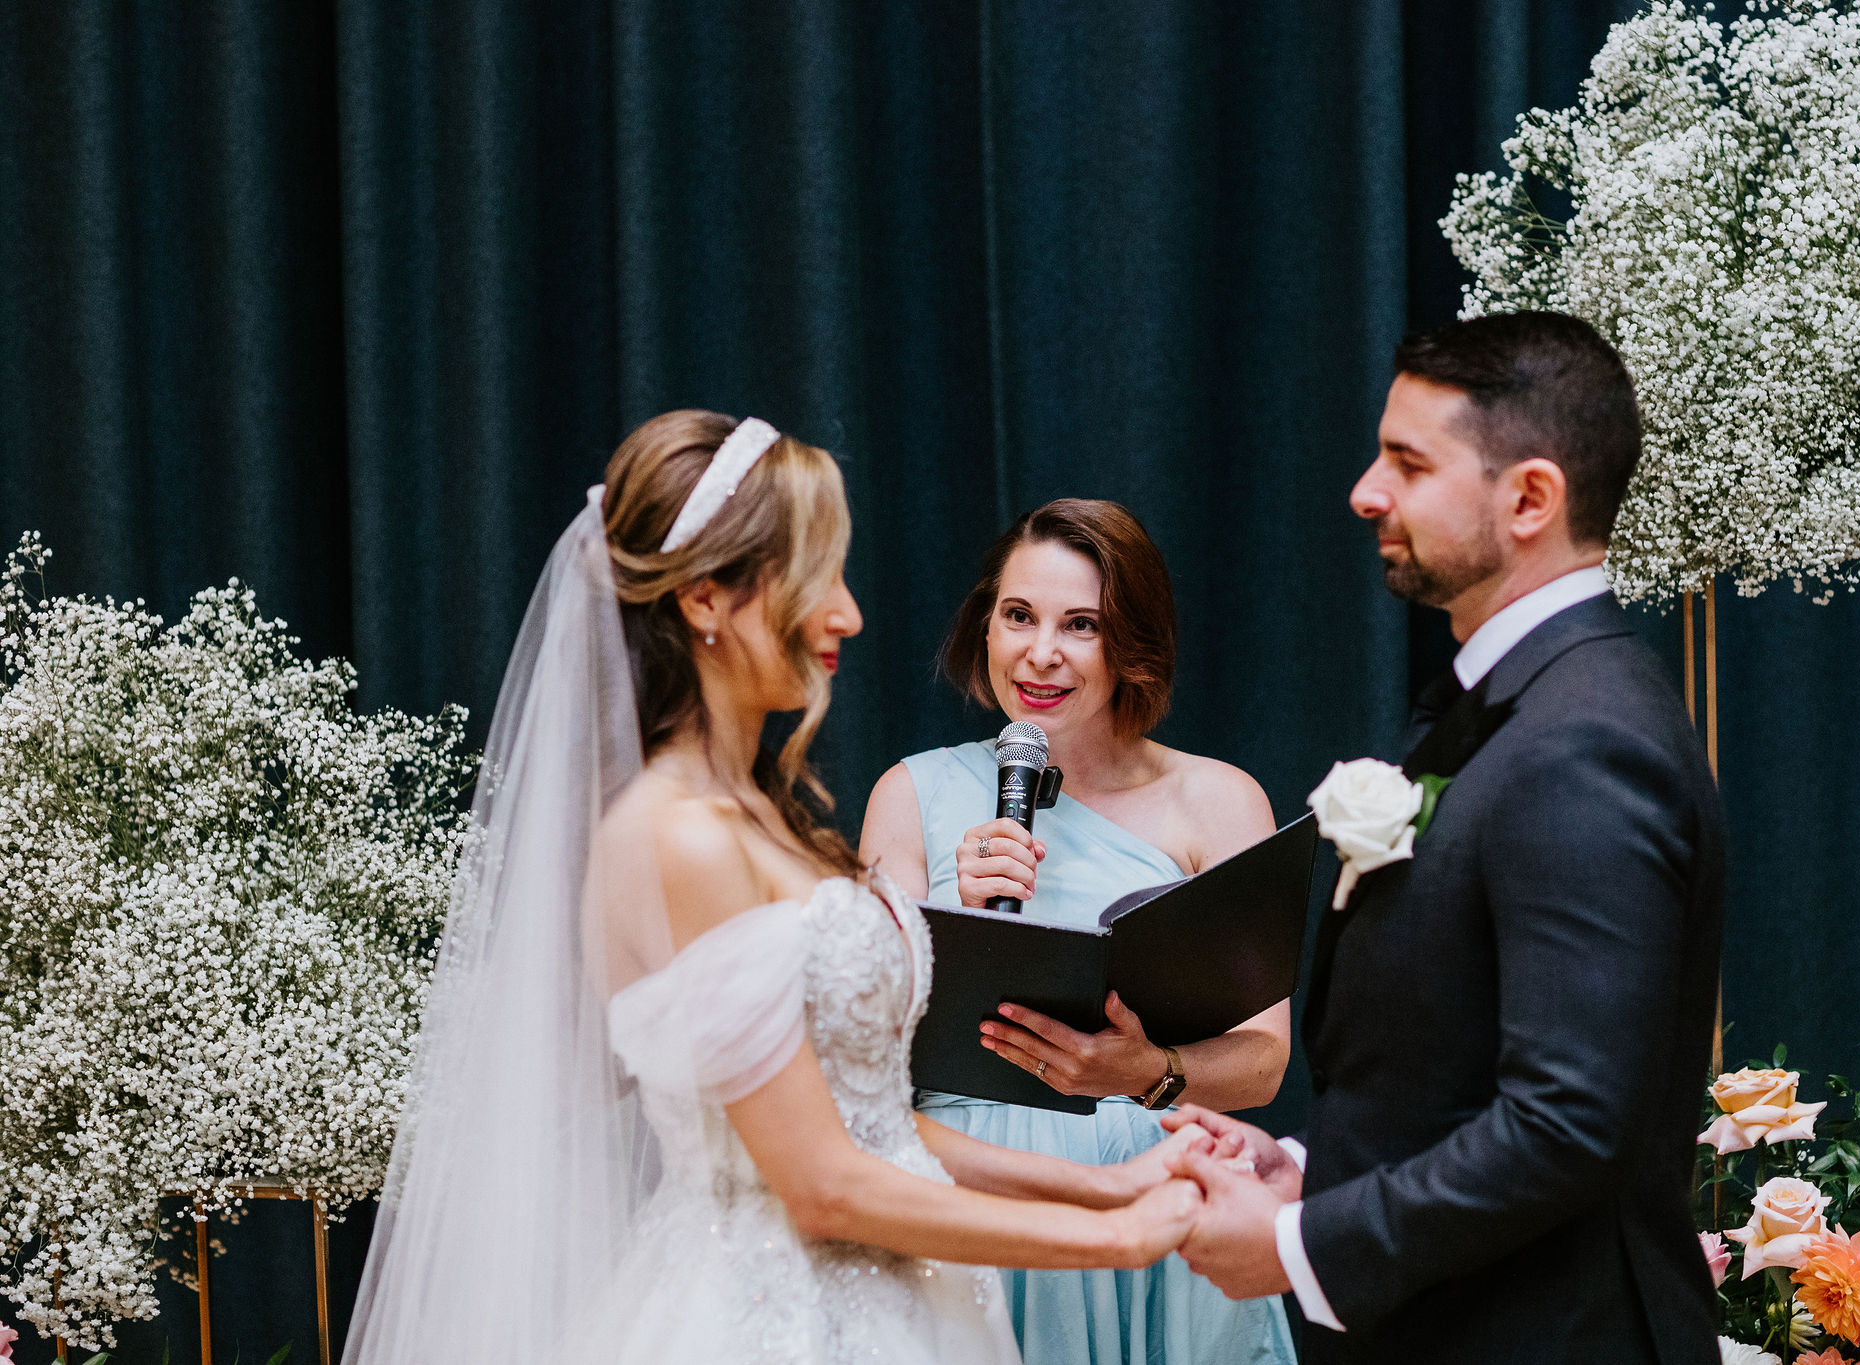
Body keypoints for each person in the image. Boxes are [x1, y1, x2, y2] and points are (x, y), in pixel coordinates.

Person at [340, 413, 1211, 1365]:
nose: (847, 614)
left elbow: (870, 1123)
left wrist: (1109, 1187)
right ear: (707, 600)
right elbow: (823, 1184)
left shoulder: (761, 811)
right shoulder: (678, 834)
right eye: (817, 577)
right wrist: (1119, 1240)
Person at [1157, 313, 1725, 1364]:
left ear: (1528, 500)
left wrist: (1299, 1243)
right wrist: (1306, 1168)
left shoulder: (1583, 742)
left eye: (1406, 464)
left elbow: (1566, 1126)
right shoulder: (1515, 705)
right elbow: (1443, 1066)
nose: (1364, 492)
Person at [861, 498, 1299, 1365]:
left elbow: (1264, 1061)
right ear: (984, 625)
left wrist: (1148, 1072)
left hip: (1156, 1200)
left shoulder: (1219, 801)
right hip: (975, 1204)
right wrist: (960, 934)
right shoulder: (908, 796)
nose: (1042, 652)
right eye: (1018, 615)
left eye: (1082, 624)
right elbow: (862, 1059)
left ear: (1130, 642)